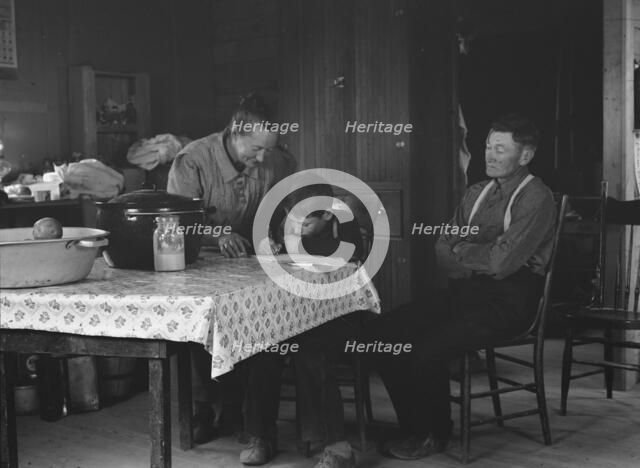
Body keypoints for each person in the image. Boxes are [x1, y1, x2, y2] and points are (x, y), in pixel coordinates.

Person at [365, 113, 556, 460]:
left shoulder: (536, 198)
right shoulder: (475, 194)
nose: (491, 155)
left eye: (501, 149)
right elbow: (442, 250)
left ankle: (434, 433)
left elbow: (502, 265)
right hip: (469, 293)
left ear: (525, 156)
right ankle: (413, 427)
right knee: (386, 334)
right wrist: (477, 255)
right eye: (487, 147)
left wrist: (464, 252)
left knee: (427, 347)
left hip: (511, 303)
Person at [166, 93, 296, 443]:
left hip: (247, 263)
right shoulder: (192, 160)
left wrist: (288, 229)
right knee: (199, 327)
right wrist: (215, 233)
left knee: (257, 319)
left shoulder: (274, 160)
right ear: (234, 132)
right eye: (254, 150)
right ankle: (202, 410)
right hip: (199, 264)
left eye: (268, 149)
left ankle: (238, 409)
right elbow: (175, 221)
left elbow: (287, 203)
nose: (261, 158)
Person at [239, 184, 364, 467]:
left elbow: (349, 266)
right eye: (292, 219)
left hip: (338, 314)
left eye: (306, 221)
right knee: (263, 346)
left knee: (311, 351)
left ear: (328, 217)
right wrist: (268, 245)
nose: (296, 226)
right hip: (290, 313)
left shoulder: (346, 226)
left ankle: (336, 445)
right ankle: (260, 435)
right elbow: (262, 246)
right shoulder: (290, 221)